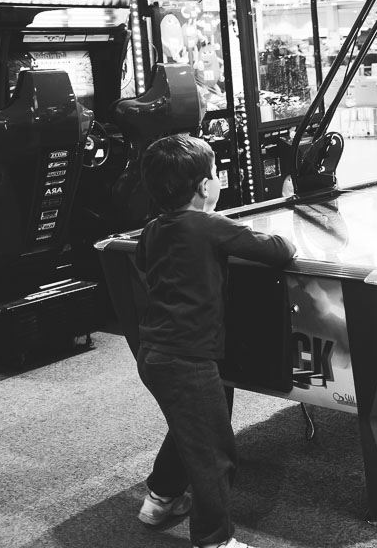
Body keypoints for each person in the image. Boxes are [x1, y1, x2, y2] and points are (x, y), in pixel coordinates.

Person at [134, 134, 296, 548]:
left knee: (193, 426)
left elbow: (146, 261)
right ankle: (214, 539)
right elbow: (280, 249)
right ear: (206, 186)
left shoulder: (154, 229)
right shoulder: (210, 225)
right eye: (216, 174)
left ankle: (160, 497)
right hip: (189, 358)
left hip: (154, 354)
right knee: (214, 453)